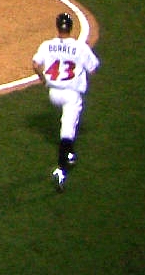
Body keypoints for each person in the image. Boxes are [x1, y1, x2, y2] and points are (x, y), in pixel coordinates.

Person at [32, 11, 99, 190]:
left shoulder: (47, 45)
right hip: (71, 95)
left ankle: (69, 153)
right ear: (71, 28)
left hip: (53, 93)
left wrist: (44, 79)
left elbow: (35, 65)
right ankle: (61, 169)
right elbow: (93, 68)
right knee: (67, 130)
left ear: (57, 27)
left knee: (68, 127)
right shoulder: (80, 47)